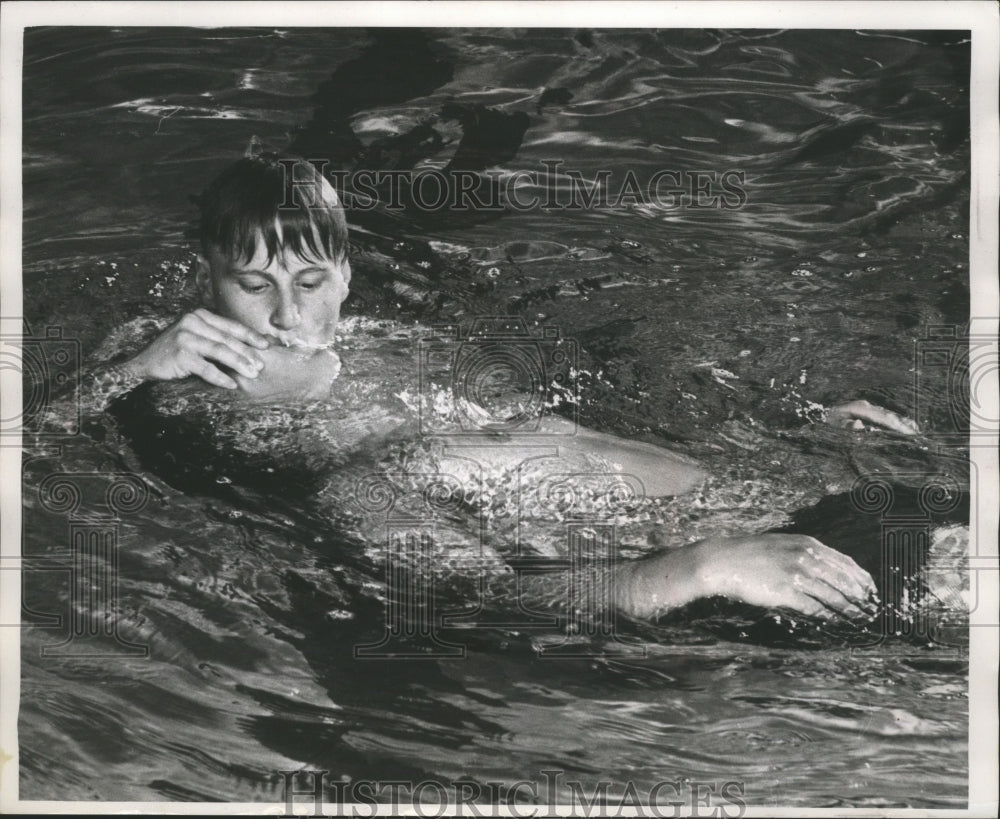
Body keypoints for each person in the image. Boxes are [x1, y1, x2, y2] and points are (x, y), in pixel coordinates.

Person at [82, 150, 920, 625]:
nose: (286, 313)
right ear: (207, 278)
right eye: (251, 284)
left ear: (344, 276)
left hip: (783, 507)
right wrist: (133, 370)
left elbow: (574, 430)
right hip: (708, 584)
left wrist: (793, 434)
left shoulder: (400, 346)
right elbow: (473, 595)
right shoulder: (346, 476)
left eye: (308, 279)